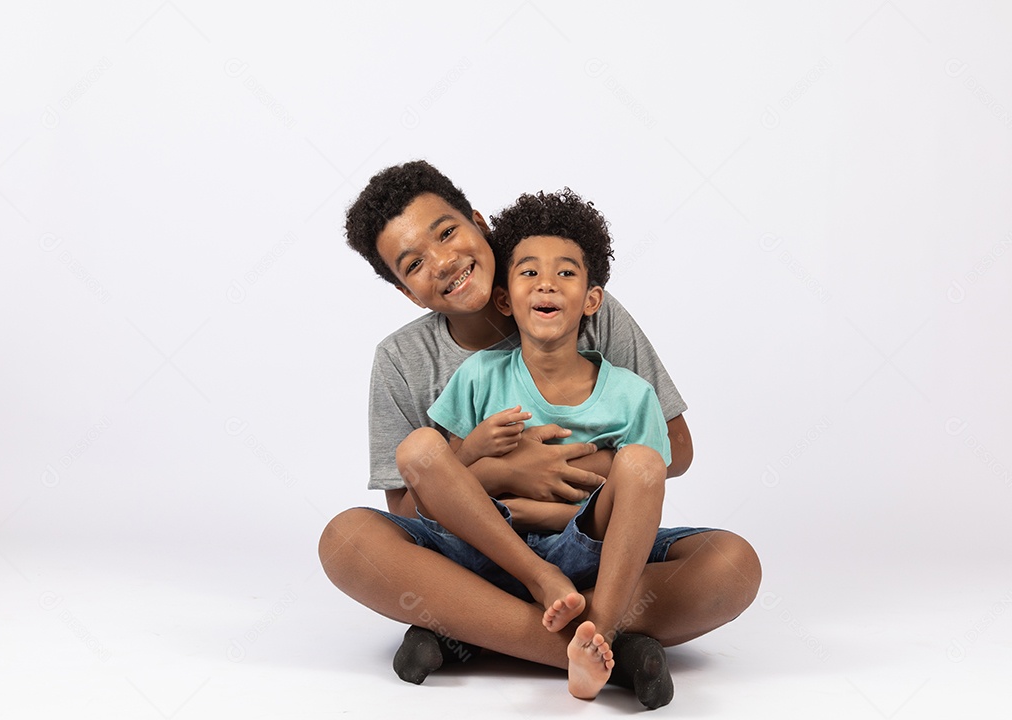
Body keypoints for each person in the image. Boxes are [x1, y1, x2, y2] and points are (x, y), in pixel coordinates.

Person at [318, 160, 761, 709]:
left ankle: (469, 631)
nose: (444, 261)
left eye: (448, 232)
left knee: (732, 564)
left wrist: (560, 472)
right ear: (409, 292)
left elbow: (674, 449)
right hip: (471, 553)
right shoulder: (403, 359)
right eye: (414, 264)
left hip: (589, 543)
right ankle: (602, 648)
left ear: (479, 223)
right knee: (345, 540)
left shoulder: (581, 305)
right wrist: (496, 472)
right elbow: (409, 511)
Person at [396, 187, 685, 700]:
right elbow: (434, 489)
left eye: (566, 274)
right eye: (529, 272)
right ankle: (596, 639)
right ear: (506, 298)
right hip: (486, 549)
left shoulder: (629, 394)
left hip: (587, 548)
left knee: (725, 554)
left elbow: (647, 484)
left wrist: (540, 510)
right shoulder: (477, 375)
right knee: (412, 456)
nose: (547, 283)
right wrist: (493, 463)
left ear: (593, 300)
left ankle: (482, 631)